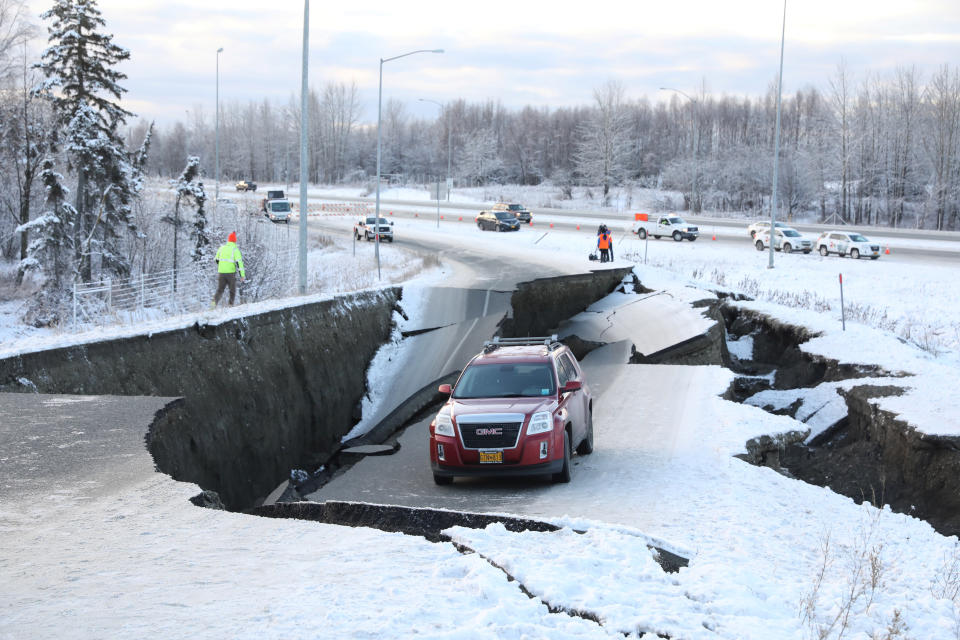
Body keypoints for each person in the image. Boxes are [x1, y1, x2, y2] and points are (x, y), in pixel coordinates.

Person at [211, 231, 245, 307]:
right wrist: (242, 275)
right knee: (232, 290)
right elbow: (240, 264)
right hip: (230, 273)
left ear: (228, 240)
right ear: (235, 241)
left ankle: (213, 305)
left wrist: (222, 266)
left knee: (220, 290)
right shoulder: (235, 250)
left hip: (221, 272)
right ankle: (230, 305)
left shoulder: (221, 248)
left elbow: (216, 259)